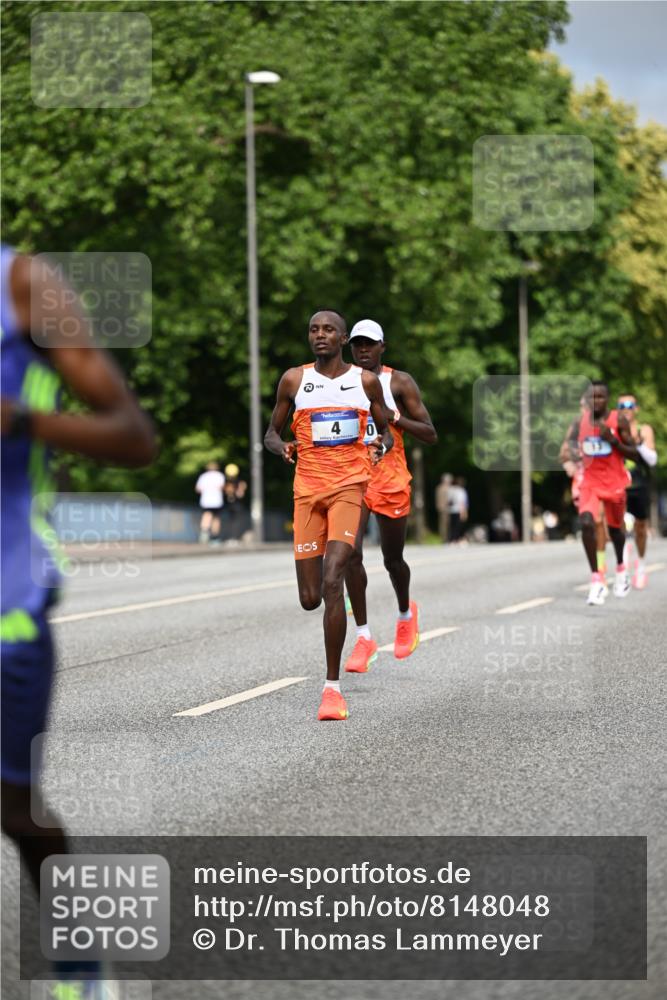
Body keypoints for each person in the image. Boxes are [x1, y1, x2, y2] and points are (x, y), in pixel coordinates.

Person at [1, 246, 156, 993]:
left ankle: (80, 956)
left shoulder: (22, 284)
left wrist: (25, 421)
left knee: (15, 811)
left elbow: (133, 434)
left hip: (7, 604)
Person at [265, 310, 392, 721]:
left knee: (334, 575)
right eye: (314, 330)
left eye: (328, 331)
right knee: (310, 598)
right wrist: (280, 446)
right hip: (307, 493)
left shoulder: (364, 380)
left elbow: (385, 429)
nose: (320, 336)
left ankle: (332, 689)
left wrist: (380, 446)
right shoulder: (294, 380)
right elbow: (270, 432)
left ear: (342, 339)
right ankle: (339, 626)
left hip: (348, 488)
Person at [342, 319, 437, 672]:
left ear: (383, 347)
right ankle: (364, 636)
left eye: (369, 344)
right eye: (356, 345)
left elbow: (429, 433)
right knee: (349, 552)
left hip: (391, 478)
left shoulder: (399, 381)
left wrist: (395, 418)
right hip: (353, 477)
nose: (362, 350)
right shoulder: (342, 382)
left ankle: (404, 613)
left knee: (391, 558)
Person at [562, 381, 638, 605]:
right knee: (587, 522)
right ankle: (597, 579)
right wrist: (574, 453)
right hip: (590, 484)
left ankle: (622, 569)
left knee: (615, 531)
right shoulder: (580, 422)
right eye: (592, 397)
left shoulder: (619, 420)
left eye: (600, 397)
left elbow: (634, 454)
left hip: (614, 483)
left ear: (608, 399)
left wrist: (613, 441)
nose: (596, 401)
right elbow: (569, 448)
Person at [617, 393, 658, 589]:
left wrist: (638, 443)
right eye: (622, 405)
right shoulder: (613, 429)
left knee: (641, 527)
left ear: (636, 409)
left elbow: (653, 460)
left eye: (630, 405)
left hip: (639, 483)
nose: (626, 408)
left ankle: (640, 565)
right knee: (620, 525)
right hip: (619, 483)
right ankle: (622, 565)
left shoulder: (644, 430)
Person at [195, 461, 225, 543]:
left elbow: (198, 489)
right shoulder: (219, 476)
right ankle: (215, 537)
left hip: (206, 500)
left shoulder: (203, 476)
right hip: (217, 500)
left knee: (206, 516)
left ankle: (204, 533)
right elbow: (222, 487)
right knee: (216, 518)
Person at [222, 462, 248, 542]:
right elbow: (241, 494)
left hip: (233, 504)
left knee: (233, 521)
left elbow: (240, 493)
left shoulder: (228, 481)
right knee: (235, 521)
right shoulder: (237, 481)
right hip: (235, 504)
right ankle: (233, 538)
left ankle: (233, 537)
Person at [435, 473, 452, 543]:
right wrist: (439, 506)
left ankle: (449, 538)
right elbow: (438, 498)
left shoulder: (450, 488)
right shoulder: (440, 488)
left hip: (450, 508)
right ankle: (444, 538)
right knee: (443, 524)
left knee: (449, 523)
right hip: (443, 508)